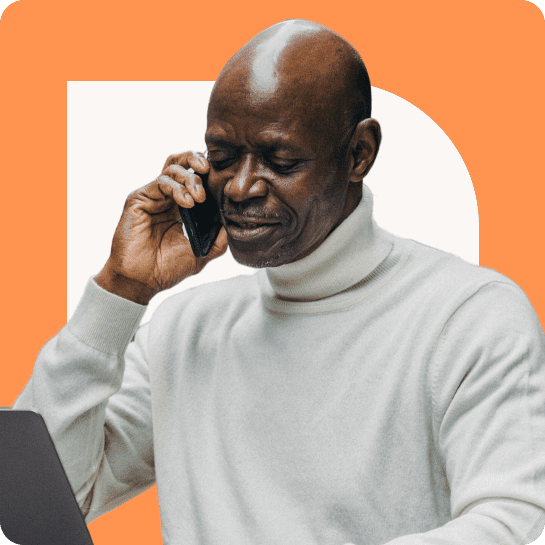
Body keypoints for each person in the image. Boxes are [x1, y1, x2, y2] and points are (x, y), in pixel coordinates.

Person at [14, 19, 545, 545]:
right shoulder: (182, 331)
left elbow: (511, 521)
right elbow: (34, 503)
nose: (240, 187)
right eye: (221, 158)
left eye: (280, 160)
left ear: (359, 154)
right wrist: (120, 291)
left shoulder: (471, 316)